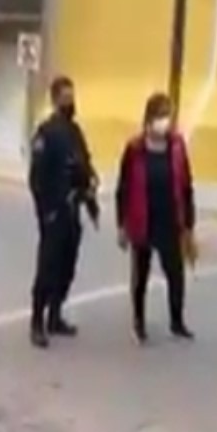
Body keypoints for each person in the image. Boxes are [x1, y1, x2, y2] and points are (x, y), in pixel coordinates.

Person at [113, 92, 198, 342]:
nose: (165, 122)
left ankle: (177, 321)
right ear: (148, 119)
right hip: (143, 221)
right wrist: (122, 225)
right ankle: (138, 322)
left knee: (176, 275)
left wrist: (189, 224)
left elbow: (186, 186)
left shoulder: (177, 146)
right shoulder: (134, 149)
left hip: (171, 221)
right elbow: (123, 188)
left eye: (168, 116)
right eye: (160, 116)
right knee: (140, 276)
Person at [28, 75, 100, 347]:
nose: (71, 102)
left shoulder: (75, 131)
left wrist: (91, 185)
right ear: (55, 99)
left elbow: (84, 163)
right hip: (54, 211)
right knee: (47, 266)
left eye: (73, 96)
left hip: (73, 210)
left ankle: (55, 316)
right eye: (65, 97)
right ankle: (37, 321)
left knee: (67, 266)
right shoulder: (46, 132)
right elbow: (36, 178)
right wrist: (45, 211)